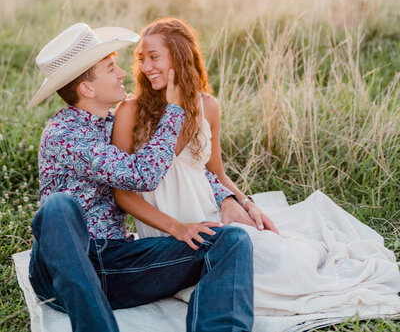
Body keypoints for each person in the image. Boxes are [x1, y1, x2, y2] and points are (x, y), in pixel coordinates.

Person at [112, 17, 400, 320]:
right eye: (141, 59)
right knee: (252, 288)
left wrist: (246, 203)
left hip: (211, 221)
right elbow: (124, 195)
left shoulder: (207, 106)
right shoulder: (130, 112)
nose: (145, 67)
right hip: (168, 235)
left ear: (180, 57)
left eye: (154, 57)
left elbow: (217, 174)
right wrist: (177, 228)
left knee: (289, 268)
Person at [28, 22, 255, 332]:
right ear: (87, 88)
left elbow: (179, 169)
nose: (123, 73)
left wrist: (228, 196)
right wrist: (174, 111)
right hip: (61, 272)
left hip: (116, 265)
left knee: (230, 241)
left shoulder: (117, 120)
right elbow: (143, 174)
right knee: (58, 208)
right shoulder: (65, 133)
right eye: (110, 68)